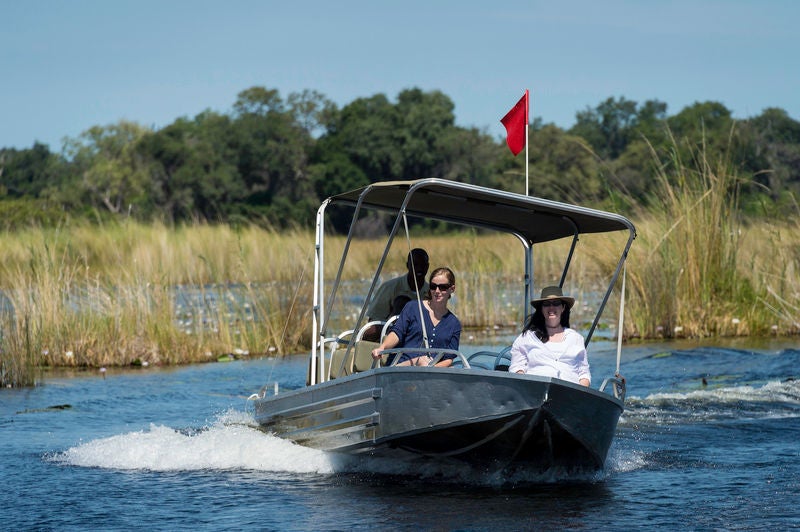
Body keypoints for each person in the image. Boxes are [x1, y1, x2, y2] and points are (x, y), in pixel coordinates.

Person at [371, 267, 461, 367]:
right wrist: (383, 347)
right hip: (402, 367)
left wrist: (430, 369)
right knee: (421, 360)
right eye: (433, 286)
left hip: (432, 373)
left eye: (442, 287)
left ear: (452, 289)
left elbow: (449, 359)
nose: (437, 291)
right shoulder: (412, 307)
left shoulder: (454, 323)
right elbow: (397, 332)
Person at [507, 285, 591, 386]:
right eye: (546, 304)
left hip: (570, 395)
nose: (551, 307)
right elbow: (516, 368)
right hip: (535, 392)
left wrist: (579, 395)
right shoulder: (527, 337)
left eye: (556, 303)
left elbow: (584, 374)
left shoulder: (576, 338)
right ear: (541, 309)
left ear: (563, 308)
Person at [365, 248, 430, 323]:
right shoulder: (389, 287)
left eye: (423, 265)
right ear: (407, 265)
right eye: (415, 264)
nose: (419, 268)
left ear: (427, 266)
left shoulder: (432, 292)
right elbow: (373, 322)